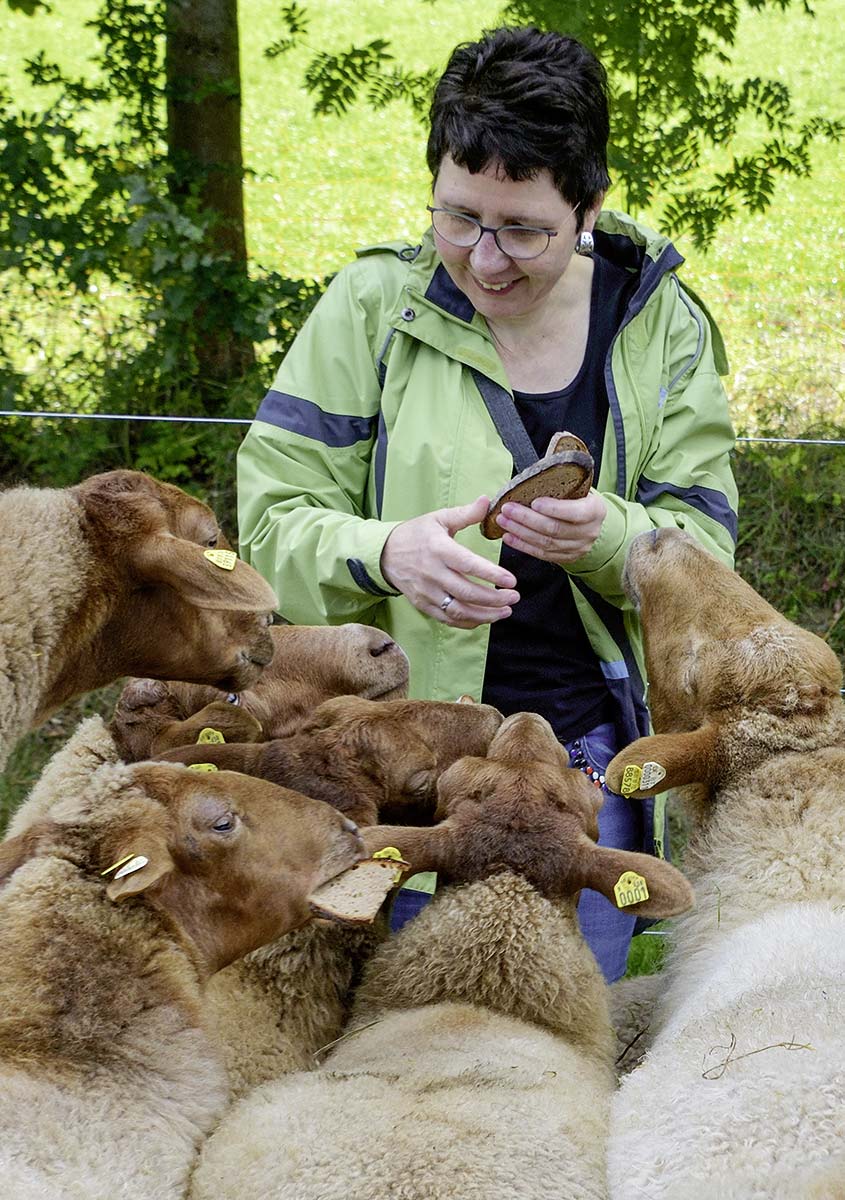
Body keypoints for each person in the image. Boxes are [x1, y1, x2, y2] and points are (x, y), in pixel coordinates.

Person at [236, 26, 738, 982]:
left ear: (589, 206)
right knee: (362, 1039)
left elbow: (707, 552)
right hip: (388, 760)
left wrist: (612, 538)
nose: (485, 258)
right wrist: (387, 553)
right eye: (457, 218)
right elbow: (267, 525)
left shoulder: (658, 323)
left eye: (522, 230)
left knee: (544, 1038)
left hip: (576, 770)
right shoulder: (372, 306)